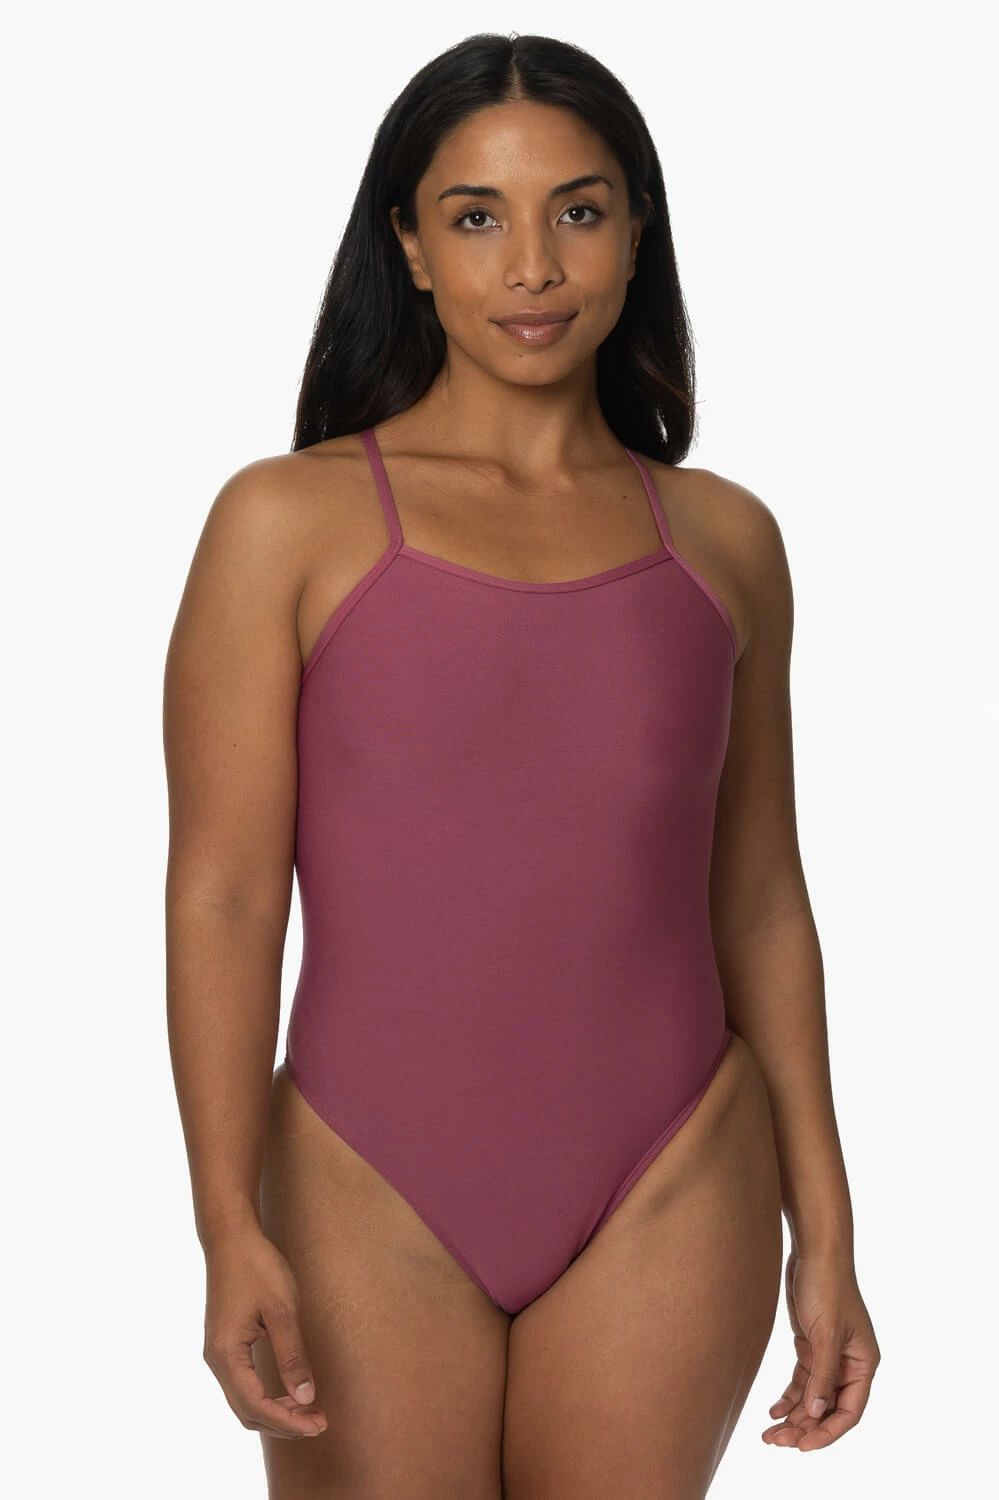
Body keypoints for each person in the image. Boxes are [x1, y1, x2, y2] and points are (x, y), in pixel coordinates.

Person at [163, 31, 880, 1500]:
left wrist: (829, 1232)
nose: (533, 265)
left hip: (675, 1171)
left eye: (579, 209)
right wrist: (225, 1220)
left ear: (636, 232)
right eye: (477, 216)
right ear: (410, 247)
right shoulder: (284, 524)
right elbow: (226, 896)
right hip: (364, 1175)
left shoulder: (724, 540)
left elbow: (759, 901)